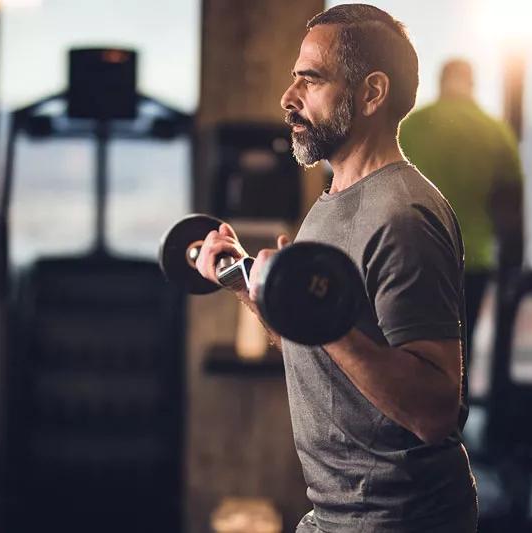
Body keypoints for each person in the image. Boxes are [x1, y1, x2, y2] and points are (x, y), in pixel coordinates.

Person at [196, 4, 477, 532]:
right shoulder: (331, 203)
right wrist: (245, 283)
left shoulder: (403, 216)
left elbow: (436, 410)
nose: (288, 99)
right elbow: (321, 347)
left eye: (311, 80)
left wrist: (313, 312)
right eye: (293, 79)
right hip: (336, 514)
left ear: (371, 93)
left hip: (398, 519)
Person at [399, 58, 524, 364]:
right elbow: (510, 211)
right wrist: (513, 270)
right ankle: (452, 410)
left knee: (406, 354)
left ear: (440, 82)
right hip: (472, 264)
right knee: (458, 358)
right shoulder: (496, 132)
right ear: (472, 84)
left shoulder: (410, 126)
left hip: (412, 260)